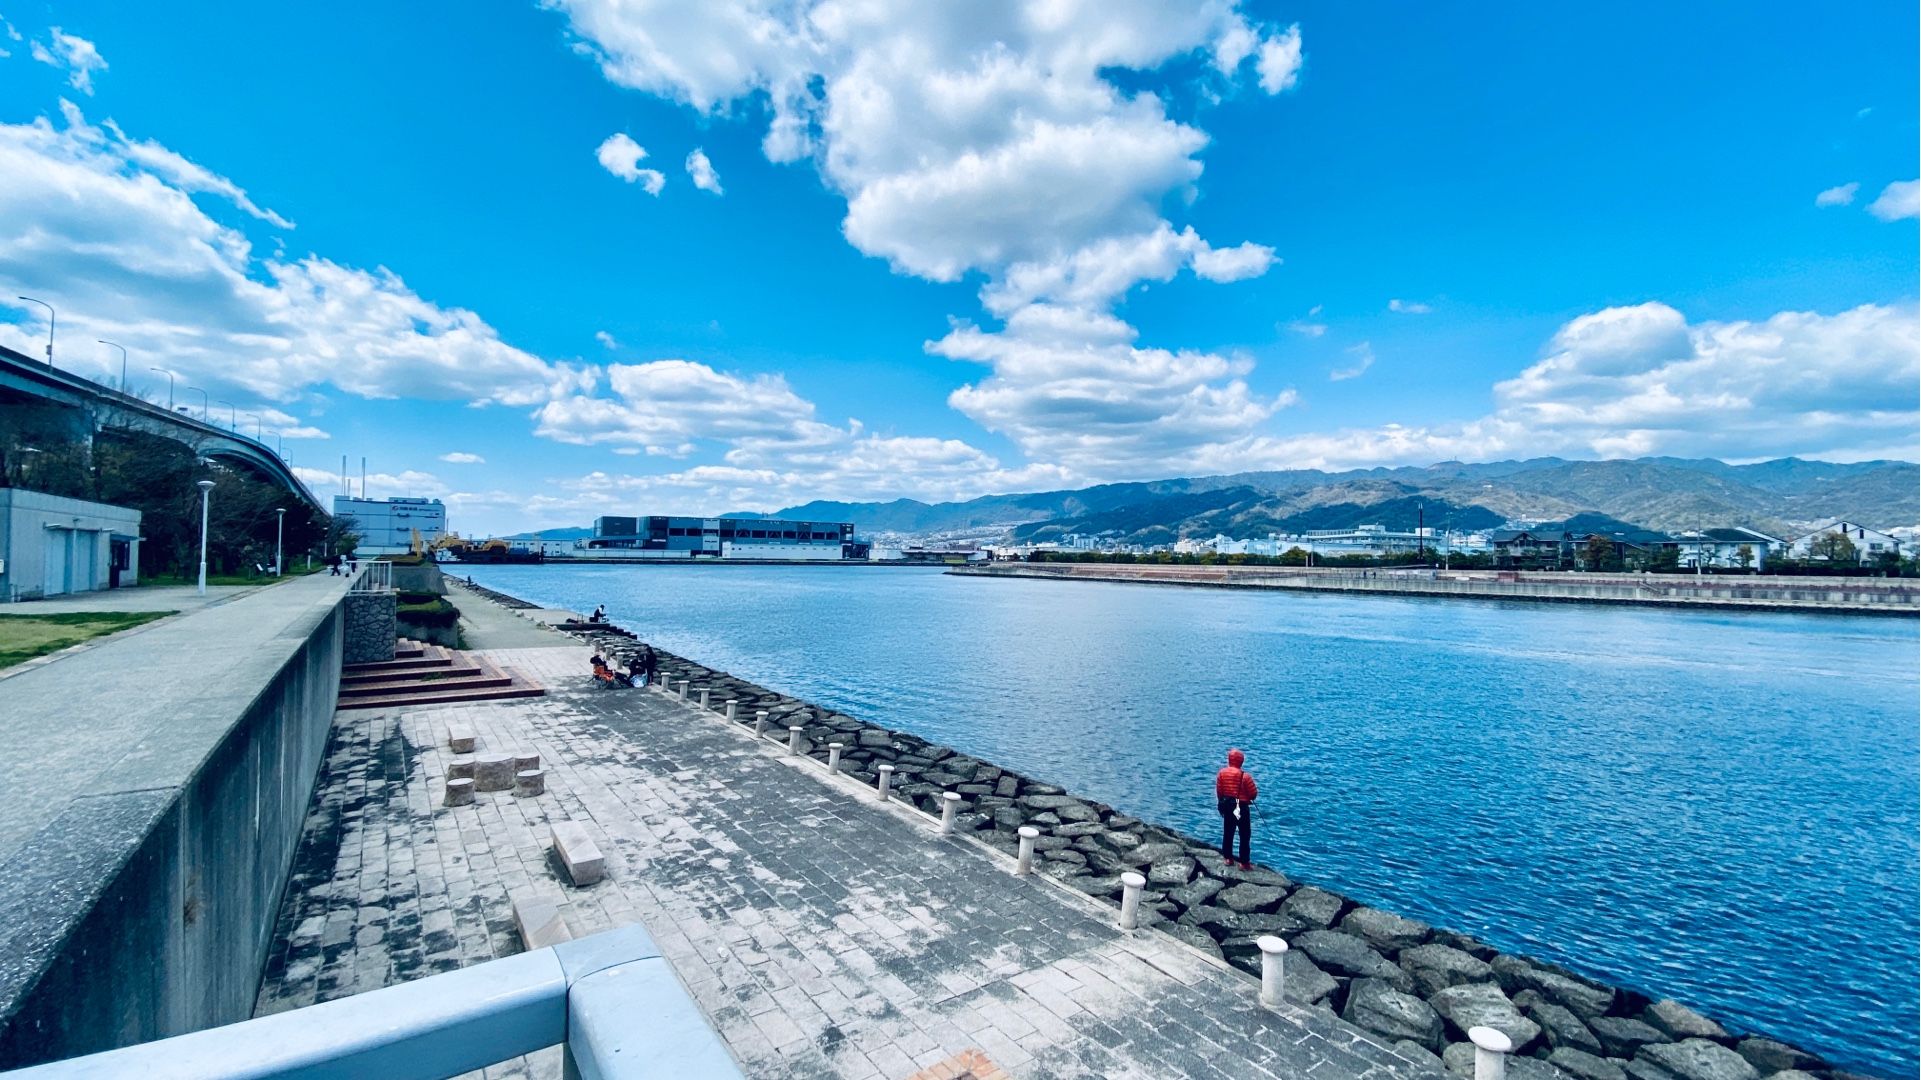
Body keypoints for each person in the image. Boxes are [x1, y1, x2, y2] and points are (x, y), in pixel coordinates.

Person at [1215, 748, 1258, 869]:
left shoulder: (1221, 773)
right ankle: (1244, 862)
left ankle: (1228, 858)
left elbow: (1219, 791)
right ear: (1241, 761)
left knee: (1228, 833)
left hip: (1228, 806)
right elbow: (1253, 793)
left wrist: (1222, 802)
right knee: (1244, 835)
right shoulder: (1245, 776)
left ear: (1229, 760)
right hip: (1242, 807)